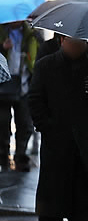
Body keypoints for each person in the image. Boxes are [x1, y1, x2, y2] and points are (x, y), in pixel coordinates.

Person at [28, 37, 88, 221]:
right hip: (55, 147)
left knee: (80, 208)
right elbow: (34, 99)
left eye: (80, 41)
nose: (76, 45)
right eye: (72, 41)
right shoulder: (46, 66)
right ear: (62, 41)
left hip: (83, 149)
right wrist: (46, 126)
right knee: (51, 208)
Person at [0, 21, 41, 171]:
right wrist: (2, 48)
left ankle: (20, 155)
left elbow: (40, 54)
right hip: (3, 85)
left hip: (24, 84)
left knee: (25, 123)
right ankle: (3, 155)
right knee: (3, 123)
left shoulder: (32, 34)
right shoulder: (2, 32)